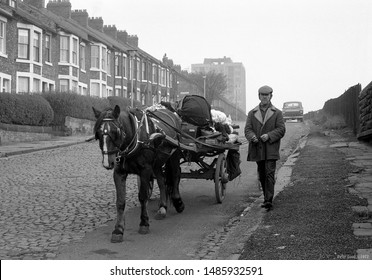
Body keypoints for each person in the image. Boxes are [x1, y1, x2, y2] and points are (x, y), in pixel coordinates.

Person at [244, 85, 286, 211]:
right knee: (262, 174)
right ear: (259, 96)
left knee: (269, 173)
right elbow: (247, 129)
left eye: (267, 95)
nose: (264, 97)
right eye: (262, 95)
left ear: (271, 96)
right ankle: (266, 197)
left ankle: (268, 200)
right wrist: (252, 137)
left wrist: (269, 135)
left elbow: (281, 129)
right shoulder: (252, 113)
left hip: (271, 148)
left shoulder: (277, 113)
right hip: (258, 149)